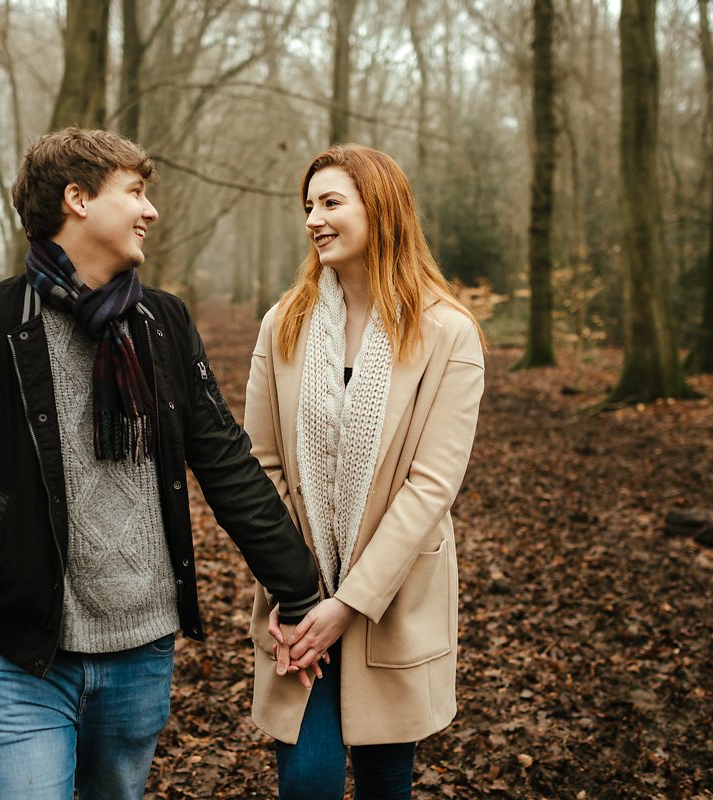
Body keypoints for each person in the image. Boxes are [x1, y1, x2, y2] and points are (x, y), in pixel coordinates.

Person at [0, 128, 319, 800]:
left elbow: (224, 458)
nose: (150, 210)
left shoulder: (162, 322)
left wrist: (300, 587)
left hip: (142, 651)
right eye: (135, 192)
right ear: (77, 199)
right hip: (26, 654)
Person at [242, 144, 486, 799]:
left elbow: (431, 485)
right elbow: (259, 464)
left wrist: (348, 604)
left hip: (392, 598)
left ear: (379, 210)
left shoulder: (448, 332)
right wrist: (292, 587)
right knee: (309, 780)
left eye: (330, 203)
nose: (314, 220)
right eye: (307, 207)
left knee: (385, 782)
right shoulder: (283, 325)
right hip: (298, 595)